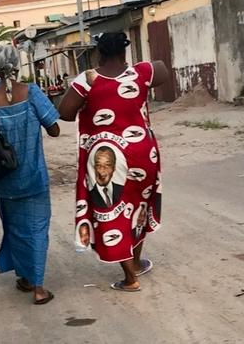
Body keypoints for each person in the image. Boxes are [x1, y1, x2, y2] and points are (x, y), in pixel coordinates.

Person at [58, 32, 169, 293]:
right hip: (144, 153)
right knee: (139, 205)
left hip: (107, 157)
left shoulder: (87, 80)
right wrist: (133, 67)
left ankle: (130, 278)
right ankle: (137, 262)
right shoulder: (140, 73)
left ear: (98, 53)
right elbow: (162, 69)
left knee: (112, 212)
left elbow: (64, 113)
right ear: (124, 52)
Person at [0, 45, 60, 305]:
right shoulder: (32, 93)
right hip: (35, 178)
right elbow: (54, 130)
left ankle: (27, 278)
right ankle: (39, 287)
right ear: (17, 65)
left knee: (17, 230)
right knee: (38, 230)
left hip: (6, 183)